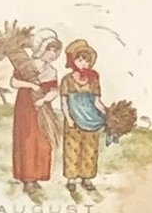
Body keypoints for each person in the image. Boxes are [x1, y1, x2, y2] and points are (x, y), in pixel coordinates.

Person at [9, 29, 62, 195]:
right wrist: (31, 85)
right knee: (27, 141)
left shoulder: (51, 71)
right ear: (41, 49)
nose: (53, 54)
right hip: (26, 107)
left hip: (42, 108)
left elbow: (54, 91)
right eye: (50, 50)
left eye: (55, 51)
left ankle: (38, 176)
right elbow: (14, 82)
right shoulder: (27, 65)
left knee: (43, 142)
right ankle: (28, 179)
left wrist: (44, 100)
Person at [60, 38, 107, 193]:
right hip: (73, 120)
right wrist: (68, 118)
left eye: (86, 61)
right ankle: (71, 179)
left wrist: (108, 115)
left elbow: (97, 101)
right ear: (73, 61)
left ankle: (87, 178)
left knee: (90, 148)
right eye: (80, 60)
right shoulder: (67, 80)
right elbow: (64, 102)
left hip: (91, 119)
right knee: (72, 149)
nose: (84, 64)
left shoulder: (93, 79)